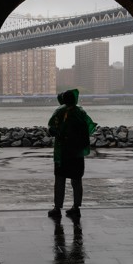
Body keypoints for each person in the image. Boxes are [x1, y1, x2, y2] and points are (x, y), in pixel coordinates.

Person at [47, 89, 96, 218]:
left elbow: (51, 129)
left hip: (62, 153)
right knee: (77, 180)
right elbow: (90, 127)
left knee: (60, 180)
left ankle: (57, 208)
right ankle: (76, 206)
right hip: (77, 153)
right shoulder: (81, 112)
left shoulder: (59, 112)